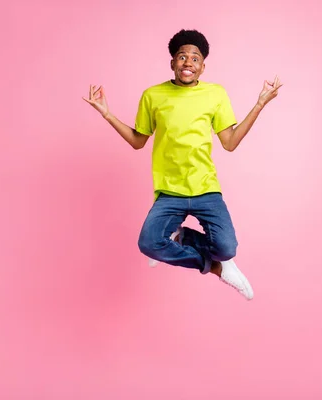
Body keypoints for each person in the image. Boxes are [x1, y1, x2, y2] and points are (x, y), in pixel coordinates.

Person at [83, 29, 282, 300]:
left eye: (195, 58)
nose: (188, 62)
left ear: (202, 67)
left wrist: (259, 105)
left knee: (226, 249)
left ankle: (184, 238)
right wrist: (107, 114)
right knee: (150, 244)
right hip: (169, 192)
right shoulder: (153, 96)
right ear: (172, 63)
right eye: (182, 56)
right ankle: (215, 268)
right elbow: (138, 141)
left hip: (205, 189)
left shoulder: (215, 94)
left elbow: (230, 142)